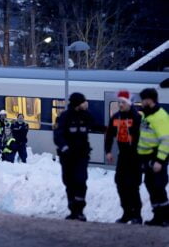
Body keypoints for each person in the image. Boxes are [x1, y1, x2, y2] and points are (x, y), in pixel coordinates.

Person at [54, 92, 103, 222]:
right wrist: (65, 148)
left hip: (81, 156)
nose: (85, 104)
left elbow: (96, 126)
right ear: (77, 103)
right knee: (69, 182)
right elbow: (58, 135)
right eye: (83, 102)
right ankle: (73, 211)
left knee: (80, 181)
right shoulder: (65, 117)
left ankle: (80, 211)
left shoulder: (86, 116)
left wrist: (111, 129)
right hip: (68, 157)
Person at [105, 90, 142, 224]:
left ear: (129, 103)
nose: (120, 105)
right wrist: (108, 151)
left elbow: (142, 137)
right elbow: (109, 134)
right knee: (120, 183)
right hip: (123, 155)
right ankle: (126, 212)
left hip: (135, 156)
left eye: (123, 102)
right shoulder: (116, 117)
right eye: (119, 102)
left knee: (133, 185)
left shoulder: (136, 117)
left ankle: (136, 214)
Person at [138, 88, 169, 226]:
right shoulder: (147, 115)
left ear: (150, 100)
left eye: (143, 99)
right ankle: (158, 216)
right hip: (147, 159)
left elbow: (166, 140)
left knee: (158, 187)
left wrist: (159, 160)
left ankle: (165, 218)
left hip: (157, 158)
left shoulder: (160, 117)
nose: (141, 102)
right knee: (151, 185)